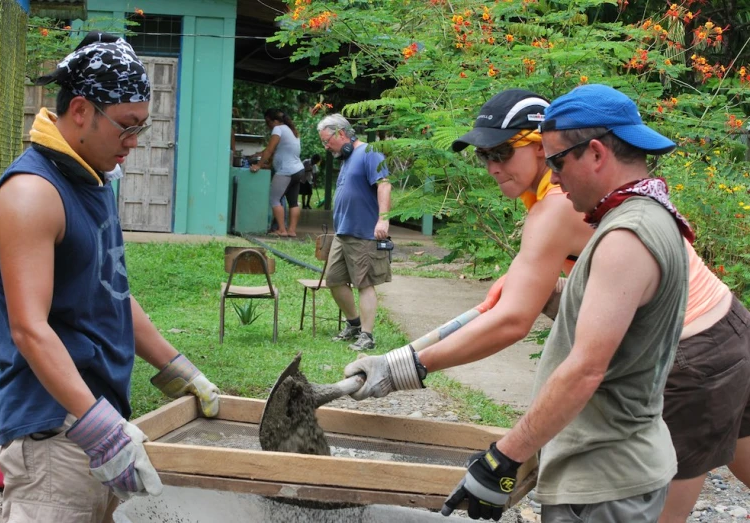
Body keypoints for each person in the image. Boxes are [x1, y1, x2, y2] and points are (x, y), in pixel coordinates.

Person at [345, 85, 693, 521]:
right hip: (614, 458)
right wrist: (559, 296)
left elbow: (583, 368)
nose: (556, 178)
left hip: (605, 474)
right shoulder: (640, 215)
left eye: (557, 162)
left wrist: (503, 457)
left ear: (598, 154)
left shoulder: (624, 234)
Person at [0, 32, 220, 523]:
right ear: (81, 111)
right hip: (56, 434)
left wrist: (180, 369)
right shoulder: (32, 195)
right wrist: (98, 428)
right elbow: (29, 329)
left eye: (141, 127)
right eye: (126, 127)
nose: (133, 143)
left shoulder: (91, 179)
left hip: (98, 422)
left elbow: (110, 294)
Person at [317, 114, 392, 351]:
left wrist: (383, 220)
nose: (325, 147)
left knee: (364, 283)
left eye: (327, 141)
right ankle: (354, 325)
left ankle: (367, 337)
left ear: (341, 133)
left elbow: (384, 184)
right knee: (334, 280)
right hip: (343, 232)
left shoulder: (369, 152)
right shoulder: (346, 159)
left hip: (364, 233)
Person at [250, 108, 304, 237]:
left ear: (274, 121)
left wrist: (258, 165)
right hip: (298, 170)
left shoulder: (278, 129)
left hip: (286, 171)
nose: (267, 125)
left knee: (274, 199)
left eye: (268, 122)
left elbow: (269, 150)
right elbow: (281, 150)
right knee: (293, 202)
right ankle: (291, 231)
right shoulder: (291, 130)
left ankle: (281, 230)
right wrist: (267, 162)